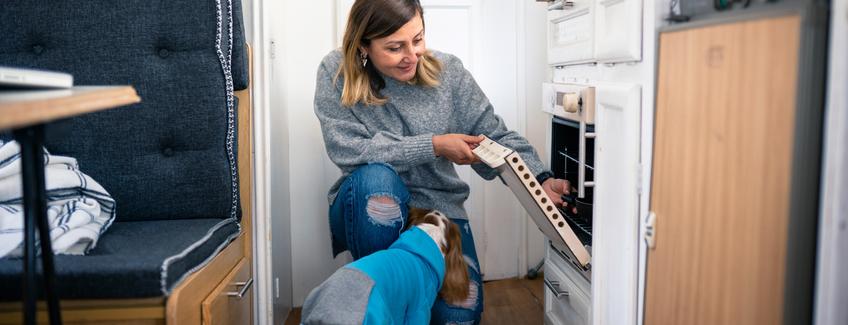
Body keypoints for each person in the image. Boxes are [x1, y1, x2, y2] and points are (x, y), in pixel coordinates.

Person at [314, 0, 572, 323]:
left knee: (460, 313)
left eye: (418, 39)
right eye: (395, 47)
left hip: (438, 212)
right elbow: (349, 149)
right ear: (364, 46)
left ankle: (373, 295)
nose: (412, 55)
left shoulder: (449, 73)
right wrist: (434, 145)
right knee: (377, 182)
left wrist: (540, 178)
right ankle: (384, 300)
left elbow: (494, 136)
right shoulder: (335, 72)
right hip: (372, 204)